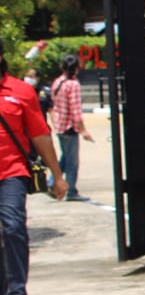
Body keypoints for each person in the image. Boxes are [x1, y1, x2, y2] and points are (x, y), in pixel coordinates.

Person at [0, 42, 69, 295]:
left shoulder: (21, 91)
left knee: (13, 226)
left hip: (11, 172)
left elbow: (40, 135)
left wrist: (58, 176)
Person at [51, 54, 93, 201]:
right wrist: (83, 130)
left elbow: (54, 102)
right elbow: (75, 110)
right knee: (72, 162)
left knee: (65, 157)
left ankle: (51, 182)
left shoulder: (57, 82)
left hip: (59, 125)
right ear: (76, 68)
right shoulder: (73, 84)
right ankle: (72, 191)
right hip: (69, 127)